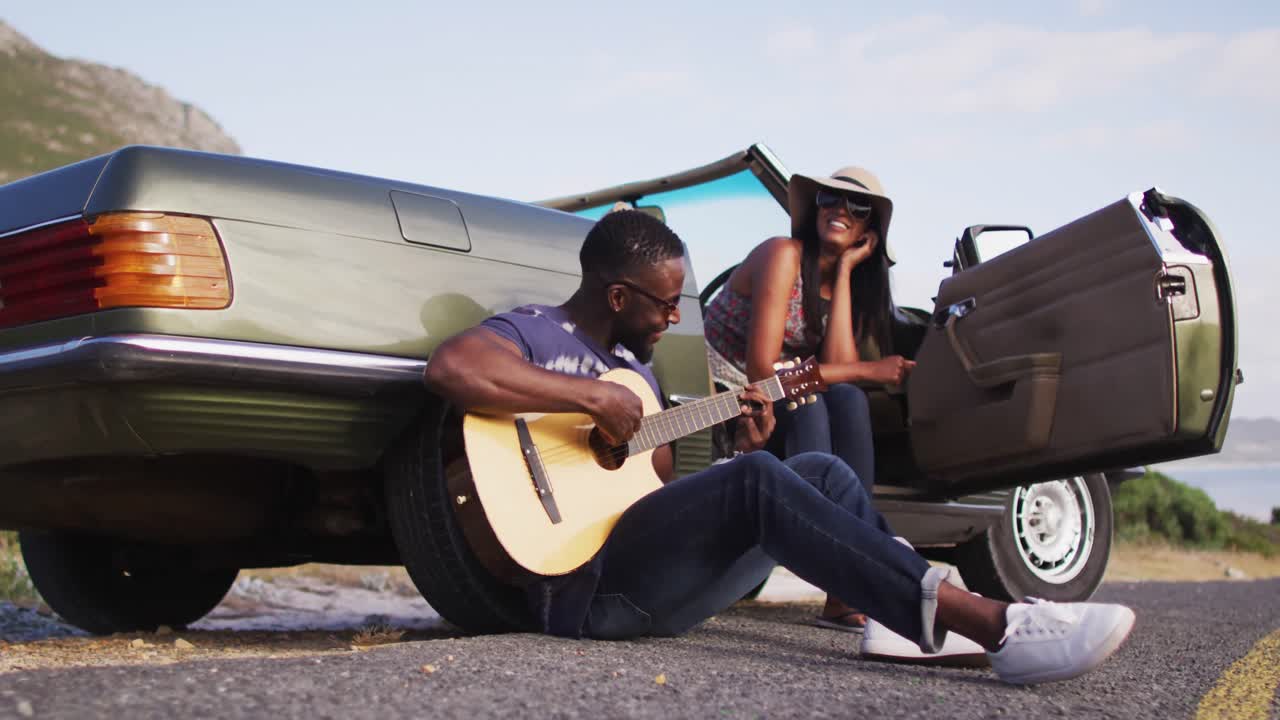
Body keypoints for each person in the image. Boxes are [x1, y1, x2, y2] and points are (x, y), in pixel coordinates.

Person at [422, 209, 1135, 685]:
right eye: (665, 305)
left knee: (814, 471)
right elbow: (452, 369)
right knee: (762, 478)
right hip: (575, 591)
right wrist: (586, 398)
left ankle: (897, 620)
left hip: (629, 571)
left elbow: (644, 490)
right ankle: (996, 625)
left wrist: (735, 442)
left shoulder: (633, 373)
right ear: (615, 297)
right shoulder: (538, 332)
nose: (675, 318)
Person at [703, 166, 911, 633]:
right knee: (814, 400)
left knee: (848, 401)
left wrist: (843, 274)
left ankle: (843, 591)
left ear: (868, 232)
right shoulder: (783, 255)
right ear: (813, 208)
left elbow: (837, 368)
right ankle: (853, 559)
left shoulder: (844, 281)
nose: (841, 210)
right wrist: (870, 369)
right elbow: (761, 368)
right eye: (830, 199)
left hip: (783, 395)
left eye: (857, 208)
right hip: (723, 394)